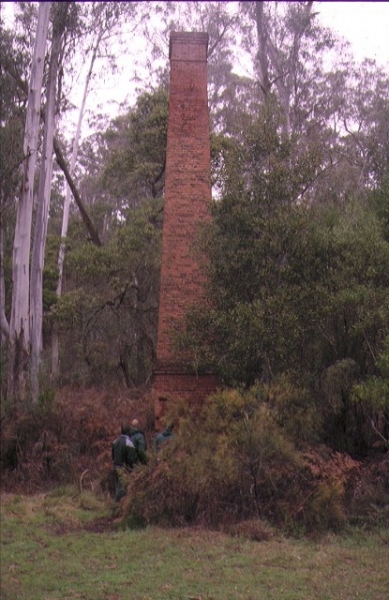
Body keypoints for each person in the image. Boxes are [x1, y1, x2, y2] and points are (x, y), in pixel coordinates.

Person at [112, 424, 137, 502]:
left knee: (118, 486)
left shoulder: (115, 441)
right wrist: (132, 467)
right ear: (128, 432)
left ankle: (117, 506)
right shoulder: (129, 442)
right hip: (124, 467)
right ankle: (115, 505)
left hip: (115, 465)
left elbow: (112, 454)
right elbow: (131, 458)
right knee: (122, 488)